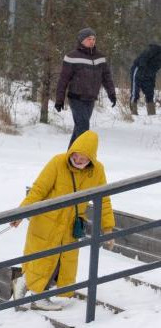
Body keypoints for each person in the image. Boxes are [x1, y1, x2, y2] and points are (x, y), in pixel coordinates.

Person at [10, 130, 115, 310]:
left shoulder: (97, 171)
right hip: (47, 222)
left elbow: (104, 200)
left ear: (91, 158)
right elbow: (38, 190)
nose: (78, 160)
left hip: (70, 225)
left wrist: (108, 228)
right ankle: (38, 297)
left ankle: (24, 282)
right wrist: (20, 213)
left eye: (83, 157)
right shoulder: (58, 162)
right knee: (43, 259)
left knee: (60, 262)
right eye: (75, 155)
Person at [54, 28, 116, 149]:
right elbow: (63, 80)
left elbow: (106, 77)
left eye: (93, 39)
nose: (92, 41)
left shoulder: (100, 57)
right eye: (89, 39)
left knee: (79, 128)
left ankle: (70, 155)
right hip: (76, 98)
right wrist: (59, 99)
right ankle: (81, 155)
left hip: (90, 99)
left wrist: (112, 94)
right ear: (81, 40)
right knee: (83, 128)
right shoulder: (71, 56)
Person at [130, 43, 161, 116]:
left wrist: (151, 77)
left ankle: (152, 114)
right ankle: (133, 114)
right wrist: (143, 69)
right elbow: (144, 57)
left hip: (150, 75)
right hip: (139, 71)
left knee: (150, 94)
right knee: (135, 93)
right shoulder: (155, 49)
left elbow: (155, 69)